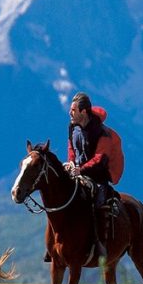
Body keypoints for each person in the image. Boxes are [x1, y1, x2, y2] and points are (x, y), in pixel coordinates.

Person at [45, 91, 119, 262]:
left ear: (83, 112)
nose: (70, 113)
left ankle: (100, 244)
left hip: (98, 177)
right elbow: (72, 149)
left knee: (98, 202)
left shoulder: (102, 133)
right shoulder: (72, 127)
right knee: (58, 198)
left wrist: (81, 170)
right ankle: (53, 245)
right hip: (77, 172)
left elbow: (100, 159)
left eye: (73, 110)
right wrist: (71, 163)